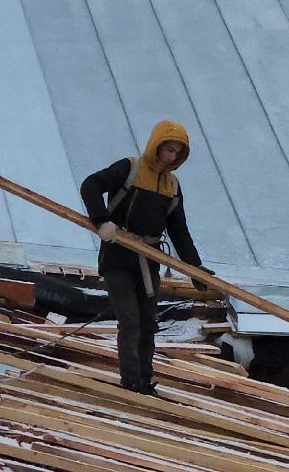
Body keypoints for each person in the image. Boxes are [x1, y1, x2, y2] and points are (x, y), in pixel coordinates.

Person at [80, 120, 205, 396]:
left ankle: (145, 381)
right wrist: (102, 221)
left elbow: (178, 228)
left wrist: (194, 266)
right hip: (118, 255)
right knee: (130, 320)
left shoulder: (171, 185)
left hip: (148, 260)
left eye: (177, 153)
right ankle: (131, 382)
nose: (171, 157)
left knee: (148, 322)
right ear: (156, 146)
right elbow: (91, 184)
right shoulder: (130, 168)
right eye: (168, 150)